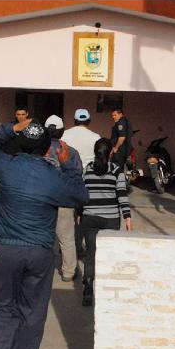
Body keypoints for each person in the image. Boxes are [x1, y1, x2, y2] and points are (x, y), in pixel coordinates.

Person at [0, 117, 88, 349]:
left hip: (7, 249)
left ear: (22, 144)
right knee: (33, 310)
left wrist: (9, 128)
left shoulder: (4, 166)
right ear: (46, 149)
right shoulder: (54, 176)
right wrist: (70, 165)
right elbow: (81, 195)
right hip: (40, 252)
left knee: (2, 306)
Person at [80, 138, 133, 306]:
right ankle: (108, 292)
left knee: (90, 253)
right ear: (111, 152)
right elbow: (122, 195)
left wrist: (80, 213)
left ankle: (88, 287)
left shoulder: (87, 170)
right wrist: (128, 218)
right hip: (111, 219)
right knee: (109, 254)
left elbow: (82, 194)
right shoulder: (117, 171)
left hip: (89, 218)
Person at [44, 114, 83, 282]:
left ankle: (42, 269)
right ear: (62, 132)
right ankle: (68, 272)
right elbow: (77, 175)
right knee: (67, 238)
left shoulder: (39, 151)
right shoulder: (71, 152)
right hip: (64, 201)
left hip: (42, 200)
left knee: (43, 236)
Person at [61, 108, 101, 258]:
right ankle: (79, 246)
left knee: (68, 217)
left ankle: (67, 247)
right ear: (88, 121)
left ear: (75, 120)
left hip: (68, 179)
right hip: (88, 181)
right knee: (83, 215)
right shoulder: (96, 137)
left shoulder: (65, 134)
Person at [109, 108, 133, 172]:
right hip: (123, 150)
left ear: (121, 114)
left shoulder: (121, 123)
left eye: (115, 115)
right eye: (112, 115)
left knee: (116, 170)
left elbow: (122, 137)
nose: (113, 117)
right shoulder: (125, 121)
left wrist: (116, 148)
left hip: (119, 151)